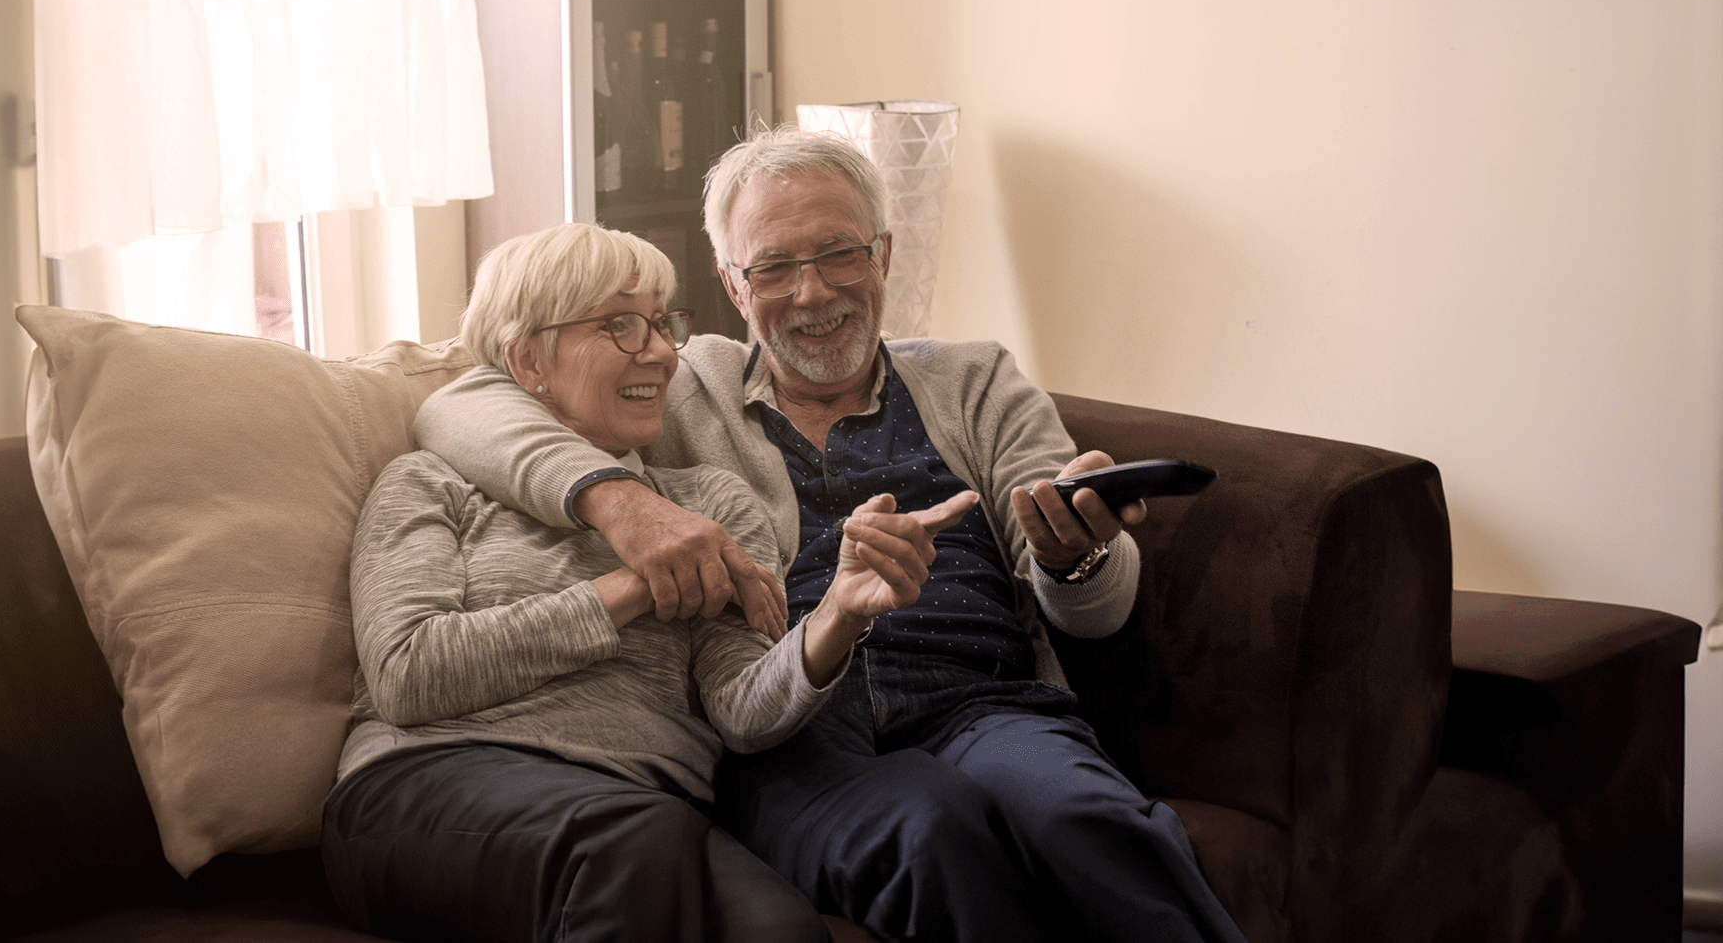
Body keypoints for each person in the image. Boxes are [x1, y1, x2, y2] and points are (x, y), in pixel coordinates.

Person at [415, 128, 1249, 943]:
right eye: (773, 266)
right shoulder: (680, 383)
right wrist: (623, 504)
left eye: (838, 253)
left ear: (883, 256)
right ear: (734, 285)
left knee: (1089, 820)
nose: (811, 292)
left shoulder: (974, 379)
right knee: (925, 836)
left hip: (978, 702)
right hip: (791, 728)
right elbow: (457, 403)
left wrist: (1074, 555)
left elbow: (1093, 612)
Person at [321, 222, 977, 943]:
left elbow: (741, 712)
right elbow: (406, 674)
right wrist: (634, 586)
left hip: (639, 807)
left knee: (784, 930)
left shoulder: (713, 504)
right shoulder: (429, 481)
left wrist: (836, 615)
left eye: (662, 324)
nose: (662, 353)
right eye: (622, 326)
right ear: (527, 357)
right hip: (424, 785)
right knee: (631, 844)